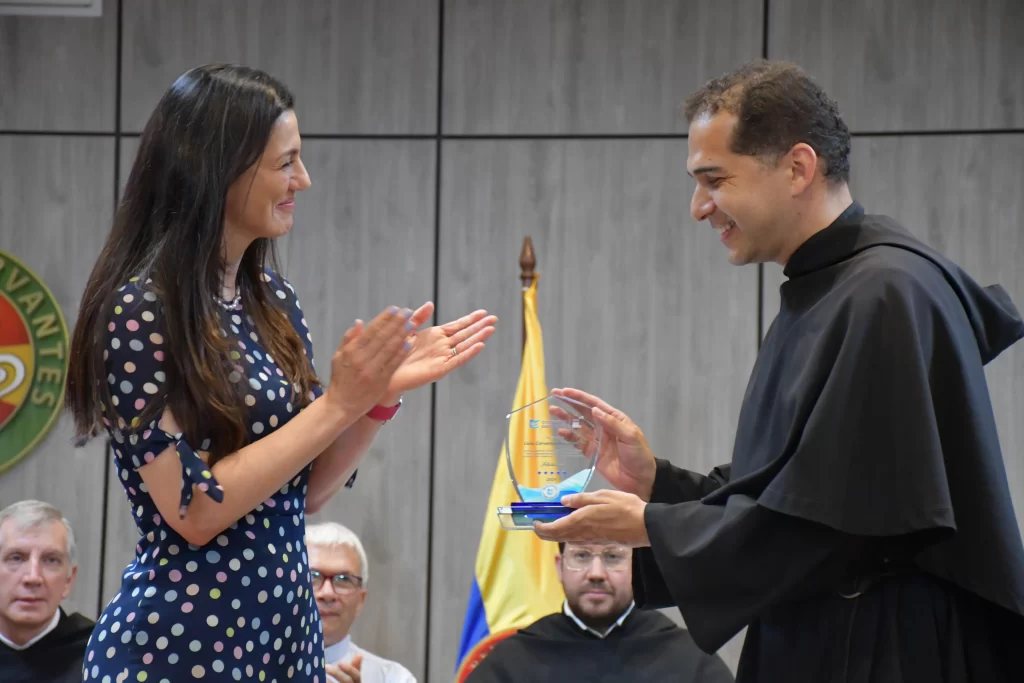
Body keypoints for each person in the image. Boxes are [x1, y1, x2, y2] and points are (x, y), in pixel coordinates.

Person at [533, 59, 1024, 682]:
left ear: (797, 168)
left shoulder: (885, 293)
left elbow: (827, 525)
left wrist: (653, 526)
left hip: (878, 649)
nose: (698, 208)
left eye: (714, 179)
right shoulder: (832, 289)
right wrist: (658, 483)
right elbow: (800, 485)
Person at [65, 63, 496, 682]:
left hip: (284, 634)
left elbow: (308, 489)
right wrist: (339, 402)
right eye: (285, 162)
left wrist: (376, 398)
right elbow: (193, 508)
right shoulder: (139, 310)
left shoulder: (272, 298)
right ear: (221, 173)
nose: (304, 179)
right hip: (180, 643)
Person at [463, 541, 733, 683]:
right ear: (559, 567)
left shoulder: (691, 661)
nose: (596, 574)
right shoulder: (510, 663)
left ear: (636, 566)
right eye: (581, 556)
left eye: (612, 557)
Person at [305, 521, 416, 683]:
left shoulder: (395, 678)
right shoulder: (256, 667)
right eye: (313, 576)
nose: (327, 594)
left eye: (344, 579)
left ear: (360, 600)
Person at [0, 500, 95, 683]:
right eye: (16, 558)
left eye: (51, 560)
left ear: (69, 580)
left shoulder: (98, 652)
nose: (33, 577)